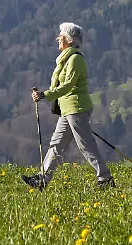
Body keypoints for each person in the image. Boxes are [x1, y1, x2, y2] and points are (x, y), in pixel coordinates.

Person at [21, 22, 115, 190]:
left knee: (85, 145)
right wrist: (46, 94)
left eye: (61, 36)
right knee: (57, 144)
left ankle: (105, 178)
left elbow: (68, 86)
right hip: (68, 109)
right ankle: (42, 179)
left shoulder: (75, 60)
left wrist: (45, 95)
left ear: (70, 40)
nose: (58, 38)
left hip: (77, 108)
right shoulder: (66, 59)